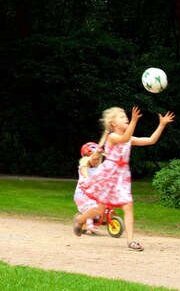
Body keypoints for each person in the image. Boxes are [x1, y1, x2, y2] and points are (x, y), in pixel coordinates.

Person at [74, 106, 174, 251]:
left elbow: (150, 140)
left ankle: (131, 241)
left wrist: (162, 125)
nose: (126, 118)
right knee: (100, 210)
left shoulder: (129, 138)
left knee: (128, 207)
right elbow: (124, 138)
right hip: (109, 176)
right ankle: (81, 220)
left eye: (126, 116)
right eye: (121, 117)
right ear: (113, 124)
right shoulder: (113, 137)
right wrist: (134, 121)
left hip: (122, 177)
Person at [73, 143, 105, 235]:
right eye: (94, 159)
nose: (96, 161)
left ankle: (92, 219)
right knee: (93, 206)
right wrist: (89, 180)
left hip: (92, 194)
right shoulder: (84, 167)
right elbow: (85, 175)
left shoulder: (98, 168)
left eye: (98, 159)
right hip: (82, 194)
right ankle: (89, 225)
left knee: (103, 206)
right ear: (87, 159)